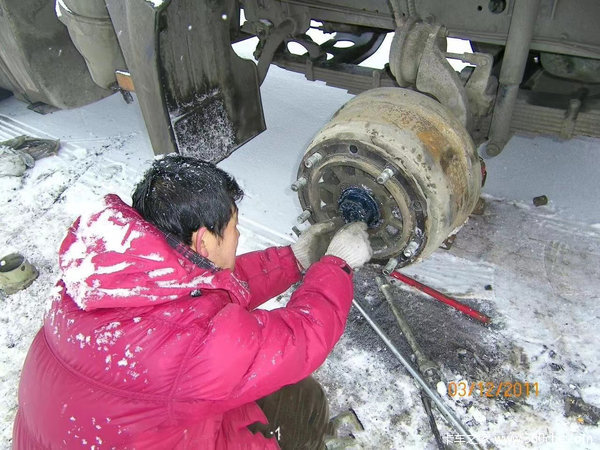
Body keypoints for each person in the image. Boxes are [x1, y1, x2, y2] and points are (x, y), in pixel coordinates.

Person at [12, 154, 372, 449]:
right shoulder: (192, 346)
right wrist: (337, 265)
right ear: (202, 243)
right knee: (302, 400)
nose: (239, 236)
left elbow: (205, 297)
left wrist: (293, 259)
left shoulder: (100, 277)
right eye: (233, 228)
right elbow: (303, 338)